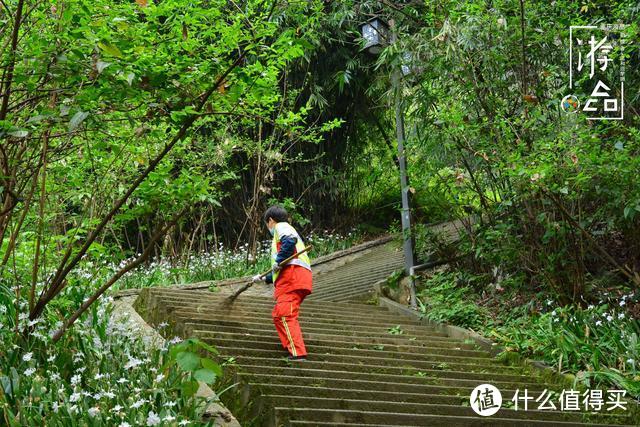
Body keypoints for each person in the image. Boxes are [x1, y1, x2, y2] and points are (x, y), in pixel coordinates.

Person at [252, 205, 312, 361]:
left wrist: (278, 261)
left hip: (293, 278)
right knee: (278, 316)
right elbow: (280, 267)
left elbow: (289, 242)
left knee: (285, 315)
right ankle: (291, 347)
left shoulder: (281, 226)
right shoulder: (282, 232)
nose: (268, 228)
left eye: (267, 224)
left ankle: (298, 353)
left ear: (270, 220)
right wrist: (264, 278)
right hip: (291, 278)